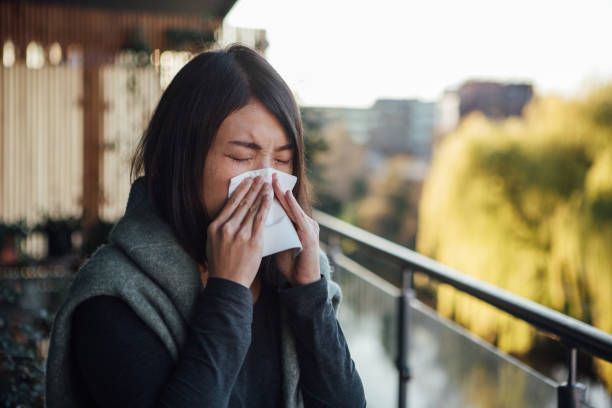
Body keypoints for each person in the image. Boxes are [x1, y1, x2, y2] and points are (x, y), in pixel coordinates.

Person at [44, 44, 366, 408]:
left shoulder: (293, 273)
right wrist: (227, 290)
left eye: (283, 159)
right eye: (242, 157)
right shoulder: (115, 296)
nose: (267, 182)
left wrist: (310, 296)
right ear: (182, 158)